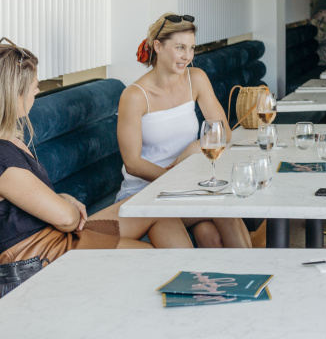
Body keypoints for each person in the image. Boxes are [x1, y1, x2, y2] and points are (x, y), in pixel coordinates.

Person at [0, 38, 193, 265]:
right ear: (14, 95)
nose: (38, 91)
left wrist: (61, 199)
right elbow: (67, 219)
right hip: (43, 256)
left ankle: (196, 278)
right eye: (34, 87)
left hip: (58, 236)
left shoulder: (11, 139)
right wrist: (68, 205)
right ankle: (193, 278)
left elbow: (38, 204)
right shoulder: (3, 158)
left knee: (157, 207)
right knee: (159, 259)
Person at [115, 14, 251, 249]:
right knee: (222, 208)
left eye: (191, 48)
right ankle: (254, 269)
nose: (188, 56)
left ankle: (247, 270)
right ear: (158, 46)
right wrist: (178, 180)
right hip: (146, 191)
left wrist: (194, 147)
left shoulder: (196, 78)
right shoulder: (135, 95)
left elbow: (223, 131)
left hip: (188, 185)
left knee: (212, 234)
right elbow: (132, 164)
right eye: (180, 48)